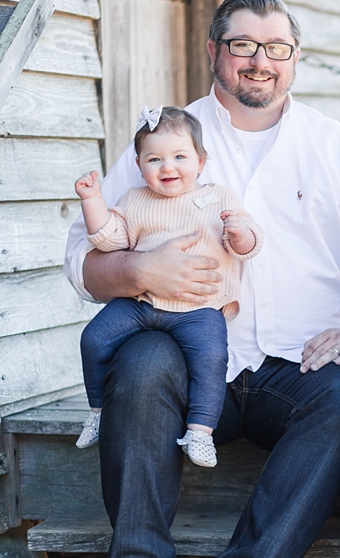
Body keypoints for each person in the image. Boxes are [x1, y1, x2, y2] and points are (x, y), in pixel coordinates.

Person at [63, 0, 340, 558]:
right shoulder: (163, 137)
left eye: (277, 48)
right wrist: (136, 267)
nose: (260, 61)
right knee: (136, 368)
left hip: (297, 365)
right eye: (244, 45)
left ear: (295, 58)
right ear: (215, 51)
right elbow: (81, 261)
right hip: (183, 353)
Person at [74, 106, 263, 468]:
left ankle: (200, 430)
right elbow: (107, 239)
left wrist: (240, 233)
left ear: (201, 161)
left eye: (179, 157)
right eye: (154, 159)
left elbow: (252, 245)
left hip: (199, 307)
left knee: (210, 359)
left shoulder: (219, 198)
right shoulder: (134, 200)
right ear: (139, 164)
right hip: (142, 302)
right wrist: (91, 200)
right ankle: (99, 411)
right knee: (94, 338)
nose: (167, 167)